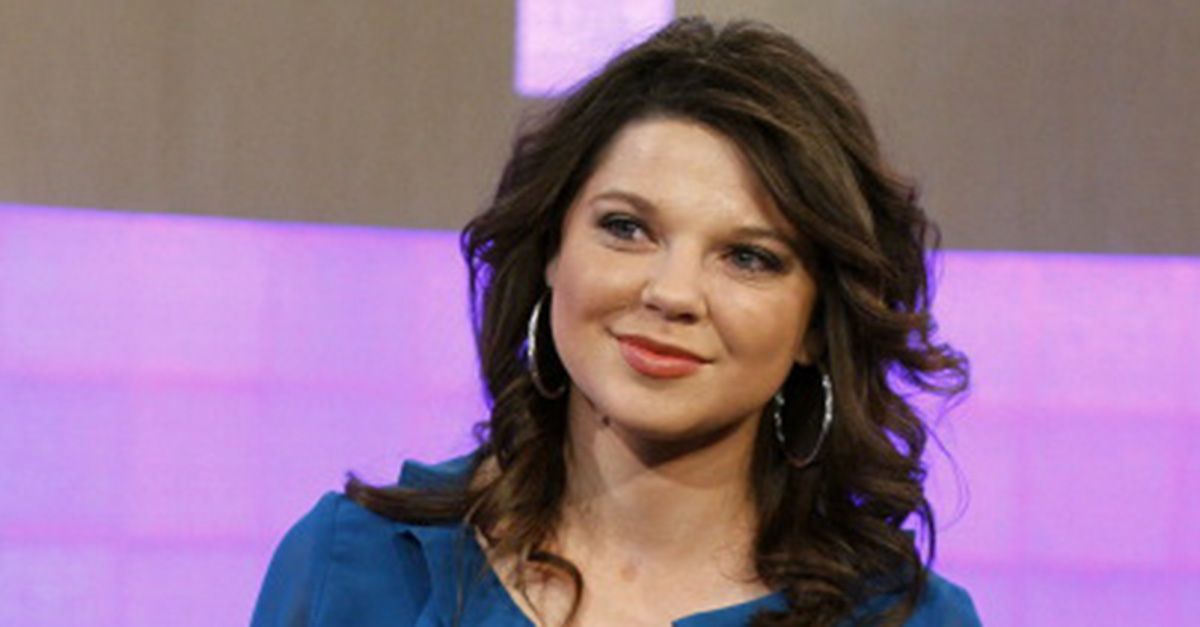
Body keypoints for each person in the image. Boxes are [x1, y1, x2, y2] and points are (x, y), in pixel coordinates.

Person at [252, 16, 978, 627]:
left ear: (817, 324)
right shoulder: (354, 567)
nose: (672, 293)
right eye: (627, 227)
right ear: (552, 249)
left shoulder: (908, 619)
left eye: (749, 257)